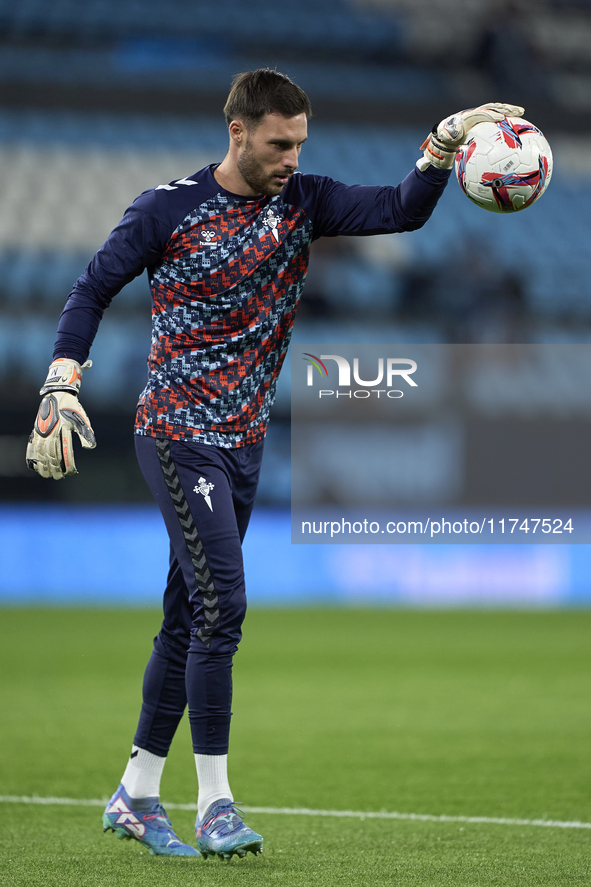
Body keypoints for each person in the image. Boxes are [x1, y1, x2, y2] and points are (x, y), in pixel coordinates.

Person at [26, 68, 523, 860]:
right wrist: (61, 382)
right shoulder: (168, 208)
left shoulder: (306, 200)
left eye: (300, 143)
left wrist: (441, 146)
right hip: (176, 430)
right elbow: (91, 290)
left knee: (188, 616)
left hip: (244, 441)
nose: (292, 157)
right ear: (237, 132)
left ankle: (135, 793)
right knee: (223, 603)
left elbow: (399, 210)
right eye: (278, 143)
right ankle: (215, 803)